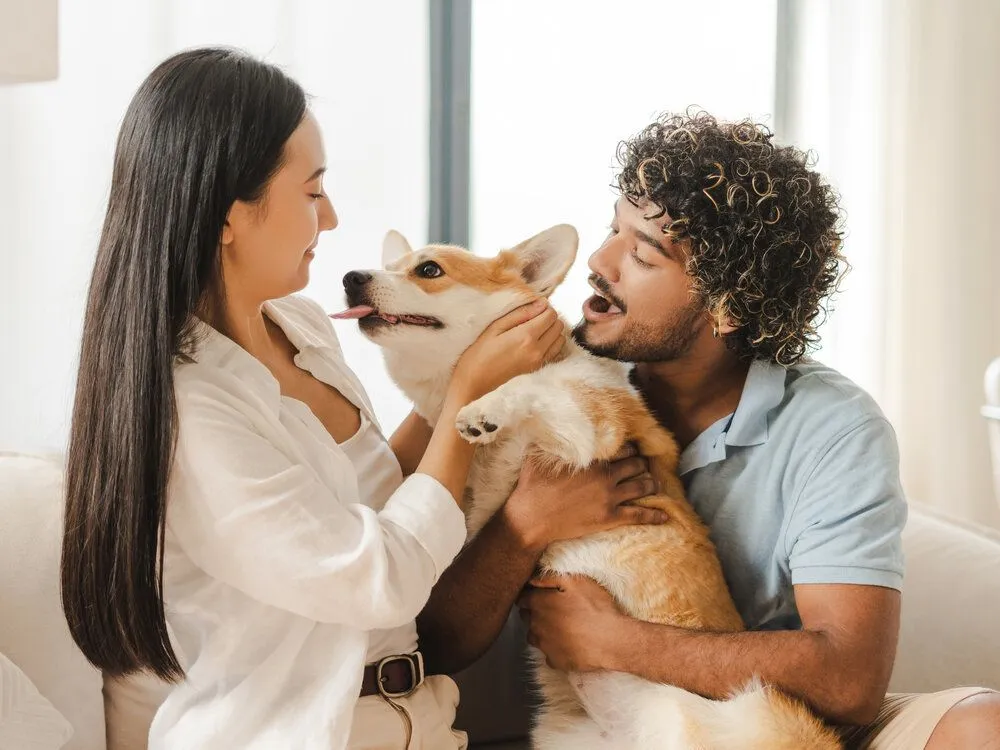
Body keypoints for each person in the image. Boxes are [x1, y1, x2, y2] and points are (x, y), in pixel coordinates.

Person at [58, 48, 663, 750]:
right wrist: (468, 393)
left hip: (422, 722)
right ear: (229, 214)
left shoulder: (302, 330)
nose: (334, 217)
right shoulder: (196, 412)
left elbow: (380, 487)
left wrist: (466, 377)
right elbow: (381, 577)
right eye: (313, 193)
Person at [418, 111, 1000, 749]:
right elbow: (435, 642)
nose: (599, 260)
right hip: (595, 723)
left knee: (983, 725)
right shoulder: (534, 382)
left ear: (726, 307)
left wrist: (617, 641)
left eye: (642, 253)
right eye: (615, 228)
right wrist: (525, 523)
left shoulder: (834, 429)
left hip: (777, 724)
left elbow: (851, 682)